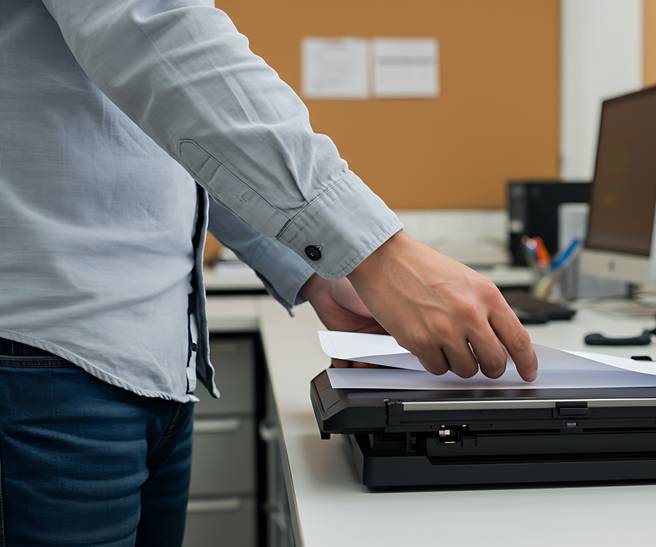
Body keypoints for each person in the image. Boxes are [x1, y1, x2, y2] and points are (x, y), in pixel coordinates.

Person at [0, 1, 538, 545]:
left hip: (148, 364)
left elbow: (184, 135)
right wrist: (381, 256)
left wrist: (321, 274)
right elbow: (155, 34)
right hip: (44, 359)